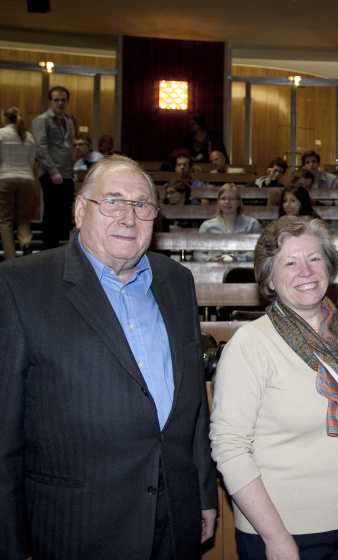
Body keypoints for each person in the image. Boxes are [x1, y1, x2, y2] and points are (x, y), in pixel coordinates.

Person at [0, 155, 218, 559]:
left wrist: (203, 492)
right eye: (113, 202)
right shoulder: (19, 286)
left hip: (173, 518)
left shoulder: (176, 281)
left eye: (142, 205)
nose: (129, 217)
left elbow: (193, 403)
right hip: (76, 527)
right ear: (81, 210)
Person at [210, 215, 338, 560]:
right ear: (270, 279)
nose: (306, 271)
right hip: (281, 531)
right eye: (290, 262)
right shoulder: (250, 345)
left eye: (314, 258)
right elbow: (229, 448)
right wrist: (276, 537)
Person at [33, 85, 75, 250]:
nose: (60, 103)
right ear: (50, 101)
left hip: (66, 173)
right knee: (51, 214)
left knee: (63, 215)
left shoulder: (68, 120)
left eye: (63, 100)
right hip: (52, 173)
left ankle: (60, 250)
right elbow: (41, 148)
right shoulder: (42, 120)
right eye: (56, 100)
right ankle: (48, 250)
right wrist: (53, 171)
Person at [0, 107, 36, 259]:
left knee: (5, 220)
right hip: (27, 179)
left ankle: (10, 256)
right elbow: (31, 160)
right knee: (23, 218)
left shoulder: (1, 134)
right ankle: (26, 244)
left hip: (5, 177)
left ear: (5, 118)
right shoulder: (28, 137)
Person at [194, 183, 262, 262]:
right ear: (218, 202)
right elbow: (198, 253)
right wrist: (210, 259)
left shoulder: (252, 224)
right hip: (213, 269)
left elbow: (258, 252)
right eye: (223, 198)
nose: (227, 202)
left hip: (242, 270)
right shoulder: (207, 226)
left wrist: (238, 258)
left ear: (239, 202)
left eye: (232, 199)